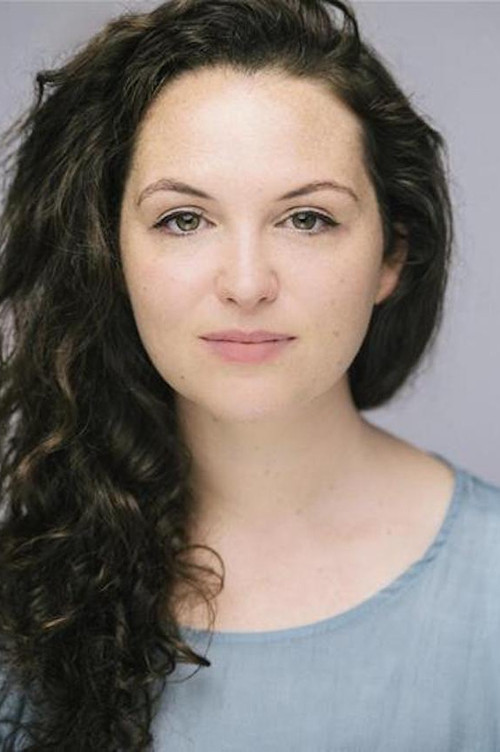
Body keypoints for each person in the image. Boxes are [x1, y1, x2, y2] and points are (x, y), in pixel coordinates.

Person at [0, 0, 499, 749]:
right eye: (184, 219)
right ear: (112, 252)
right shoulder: (27, 599)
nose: (245, 284)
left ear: (391, 255)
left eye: (307, 219)